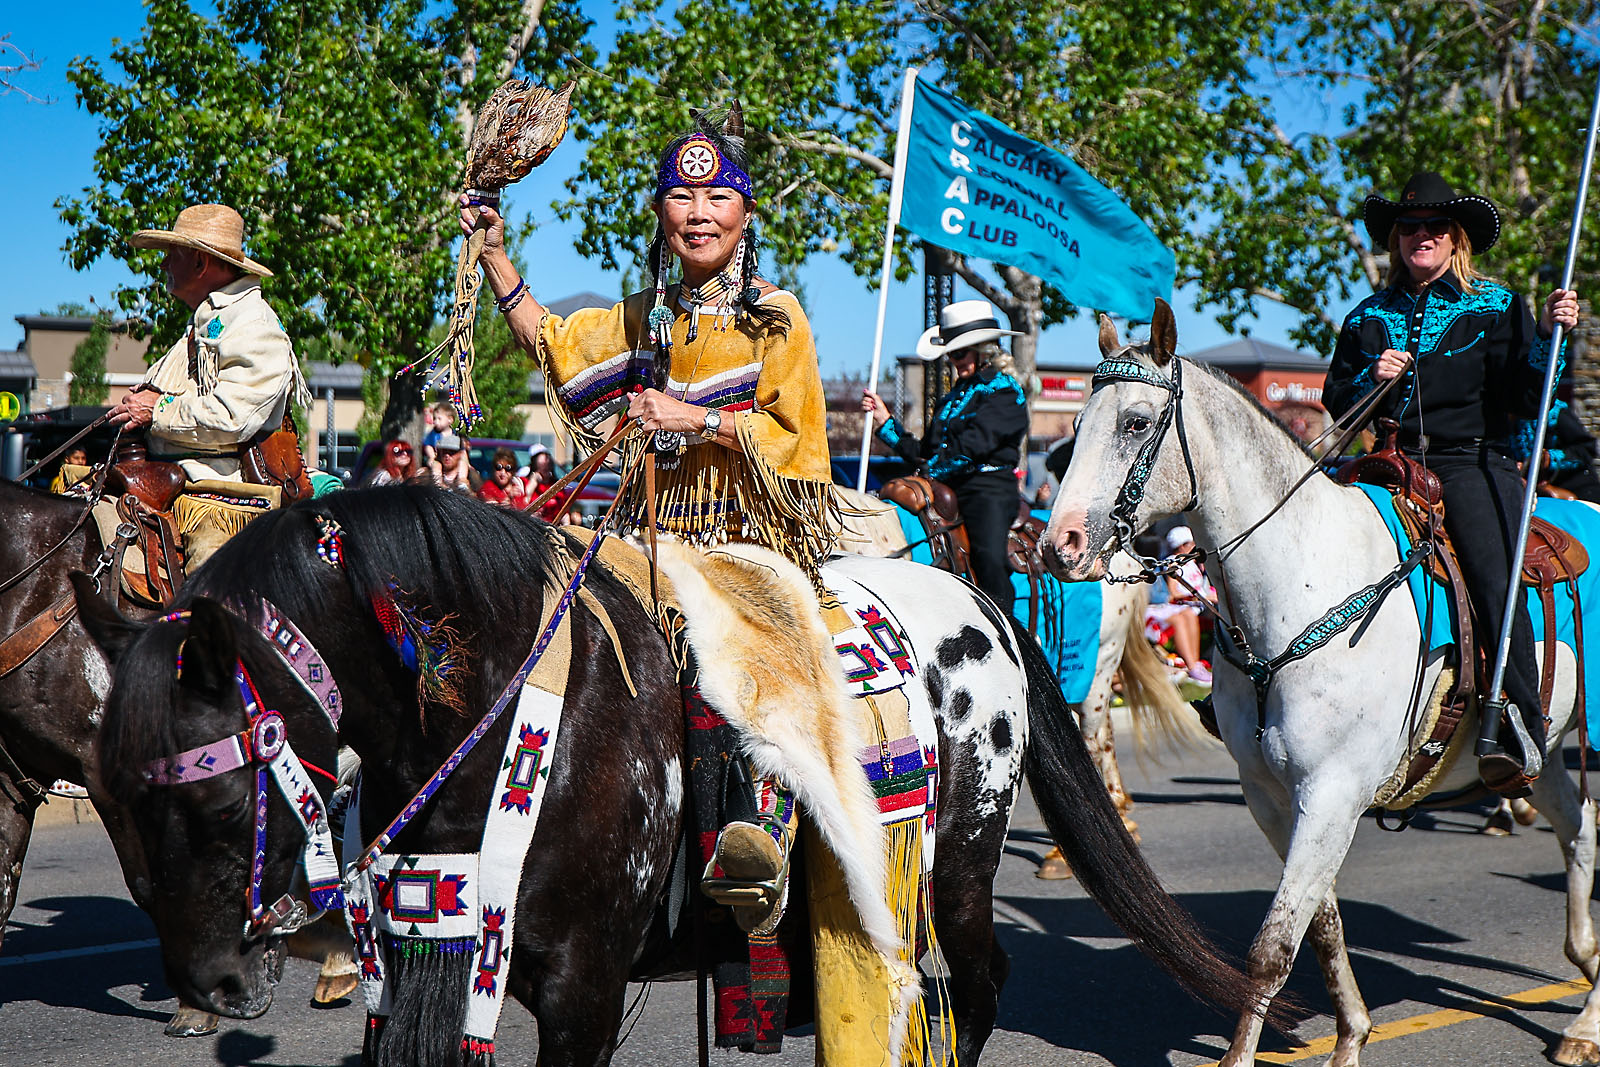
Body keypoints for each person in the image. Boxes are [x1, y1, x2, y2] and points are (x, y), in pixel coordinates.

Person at [462, 105, 839, 929]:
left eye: (718, 200)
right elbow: (553, 342)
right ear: (662, 214)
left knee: (747, 656)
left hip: (750, 537)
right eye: (681, 198)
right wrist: (495, 256)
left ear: (746, 215)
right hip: (651, 535)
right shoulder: (643, 318)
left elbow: (798, 443)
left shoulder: (778, 316)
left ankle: (765, 826)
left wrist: (692, 418)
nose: (699, 215)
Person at [1324, 171, 1579, 792]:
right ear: (1395, 240)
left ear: (1456, 237)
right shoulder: (1366, 318)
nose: (1421, 235)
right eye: (1409, 227)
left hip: (1471, 464)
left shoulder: (1496, 306)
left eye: (1435, 226)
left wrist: (1550, 337)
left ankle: (1518, 720)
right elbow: (1338, 401)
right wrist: (1371, 382)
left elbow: (1528, 396)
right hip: (1388, 461)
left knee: (1493, 577)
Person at [107, 203, 310, 482]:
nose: (163, 264)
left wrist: (158, 409)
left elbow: (233, 416)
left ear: (200, 262)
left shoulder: (253, 323)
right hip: (168, 476)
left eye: (171, 255)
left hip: (217, 490)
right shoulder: (206, 320)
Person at [862, 299, 1029, 614]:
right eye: (951, 354)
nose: (954, 361)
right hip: (945, 485)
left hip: (988, 488)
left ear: (984, 350)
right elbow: (925, 453)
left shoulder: (1006, 393)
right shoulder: (950, 400)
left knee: (987, 557)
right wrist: (886, 423)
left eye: (960, 353)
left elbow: (973, 447)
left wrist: (931, 471)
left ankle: (1009, 630)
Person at [1142, 526, 1215, 685]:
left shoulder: (1192, 562)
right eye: (1190, 544)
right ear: (1182, 546)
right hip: (1160, 608)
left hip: (1182, 606)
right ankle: (1191, 665)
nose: (1194, 547)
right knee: (1180, 619)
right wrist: (1196, 597)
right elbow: (1171, 593)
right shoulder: (1170, 563)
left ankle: (1195, 664)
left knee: (1188, 615)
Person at [422, 400, 456, 480]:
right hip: (438, 459)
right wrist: (431, 456)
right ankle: (438, 482)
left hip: (451, 461)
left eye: (439, 419)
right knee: (436, 466)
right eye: (434, 419)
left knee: (462, 464)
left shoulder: (455, 434)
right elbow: (428, 445)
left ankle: (462, 481)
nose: (435, 422)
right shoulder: (434, 433)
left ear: (450, 420)